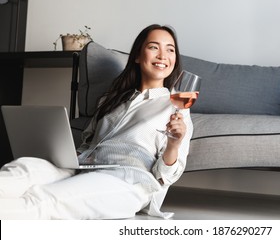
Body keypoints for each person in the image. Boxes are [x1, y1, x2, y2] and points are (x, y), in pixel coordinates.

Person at [0, 24, 193, 219]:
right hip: (81, 168)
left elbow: (166, 176)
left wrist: (173, 145)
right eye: (154, 47)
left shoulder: (176, 108)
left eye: (170, 49)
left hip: (128, 181)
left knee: (42, 200)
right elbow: (87, 142)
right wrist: (66, 154)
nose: (162, 55)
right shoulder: (111, 99)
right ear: (137, 55)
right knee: (23, 170)